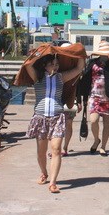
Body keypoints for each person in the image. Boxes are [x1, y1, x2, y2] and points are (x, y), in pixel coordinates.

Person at [24, 53, 84, 194]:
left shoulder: (61, 77)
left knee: (56, 149)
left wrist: (79, 52)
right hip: (41, 118)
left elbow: (79, 68)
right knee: (41, 152)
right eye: (52, 64)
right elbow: (28, 64)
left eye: (57, 64)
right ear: (45, 65)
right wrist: (39, 52)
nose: (55, 67)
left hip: (57, 117)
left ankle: (53, 182)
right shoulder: (37, 77)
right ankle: (44, 173)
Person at [88, 40, 109, 156]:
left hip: (108, 96)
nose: (105, 54)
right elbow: (86, 77)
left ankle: (103, 147)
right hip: (94, 95)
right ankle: (96, 139)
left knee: (107, 123)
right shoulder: (92, 62)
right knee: (93, 121)